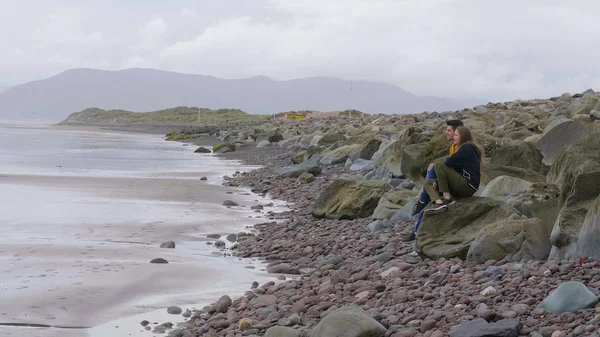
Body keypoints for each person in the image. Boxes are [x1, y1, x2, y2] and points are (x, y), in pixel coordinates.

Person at [407, 119, 463, 241]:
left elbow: (457, 168)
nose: (446, 133)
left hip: (459, 183)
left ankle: (417, 229)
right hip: (450, 179)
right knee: (429, 192)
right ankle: (417, 231)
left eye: (449, 130)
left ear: (457, 132)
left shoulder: (463, 147)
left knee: (428, 189)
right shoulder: (453, 146)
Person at [424, 126, 483, 211]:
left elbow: (449, 162)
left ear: (462, 137)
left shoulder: (467, 147)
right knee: (428, 183)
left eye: (456, 135)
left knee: (439, 165)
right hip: (464, 184)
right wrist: (438, 182)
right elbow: (454, 169)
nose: (453, 137)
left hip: (468, 185)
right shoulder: (466, 147)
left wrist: (436, 166)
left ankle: (447, 197)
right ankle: (439, 203)